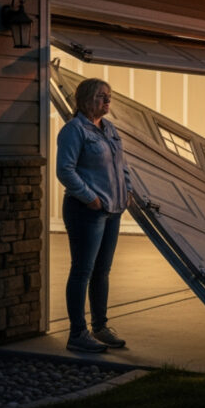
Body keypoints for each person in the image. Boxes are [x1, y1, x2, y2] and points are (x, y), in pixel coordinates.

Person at [56, 78, 133, 352]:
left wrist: (127, 190)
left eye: (109, 96)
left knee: (102, 271)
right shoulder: (74, 130)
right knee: (82, 271)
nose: (107, 101)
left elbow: (121, 164)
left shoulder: (109, 129)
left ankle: (100, 328)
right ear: (87, 99)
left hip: (112, 210)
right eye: (102, 96)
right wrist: (90, 198)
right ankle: (77, 333)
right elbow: (65, 170)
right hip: (85, 211)